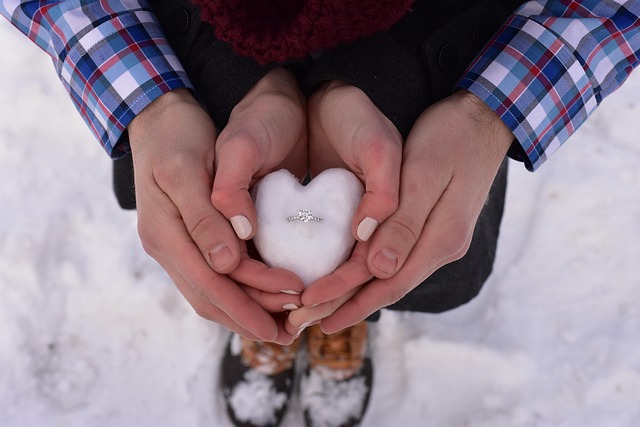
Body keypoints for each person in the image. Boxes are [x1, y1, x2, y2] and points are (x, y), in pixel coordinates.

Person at [1, 1, 638, 426]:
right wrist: (151, 99)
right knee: (224, 224)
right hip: (201, 46)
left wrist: (489, 110)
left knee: (403, 239)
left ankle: (331, 313)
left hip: (436, 52)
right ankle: (274, 307)